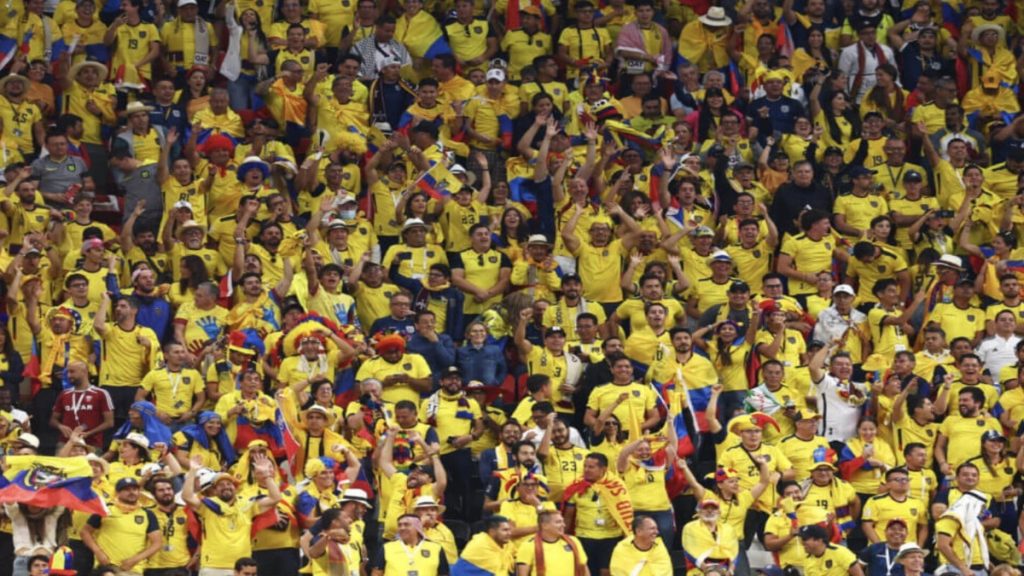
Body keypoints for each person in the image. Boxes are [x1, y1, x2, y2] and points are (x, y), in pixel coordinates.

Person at [80, 477, 162, 575]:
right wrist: (98, 552)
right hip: (107, 566)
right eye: (126, 489)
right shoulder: (106, 510)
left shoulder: (148, 514)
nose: (132, 492)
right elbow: (85, 532)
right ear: (117, 493)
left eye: (134, 489)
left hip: (133, 568)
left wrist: (134, 560)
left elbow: (157, 543)